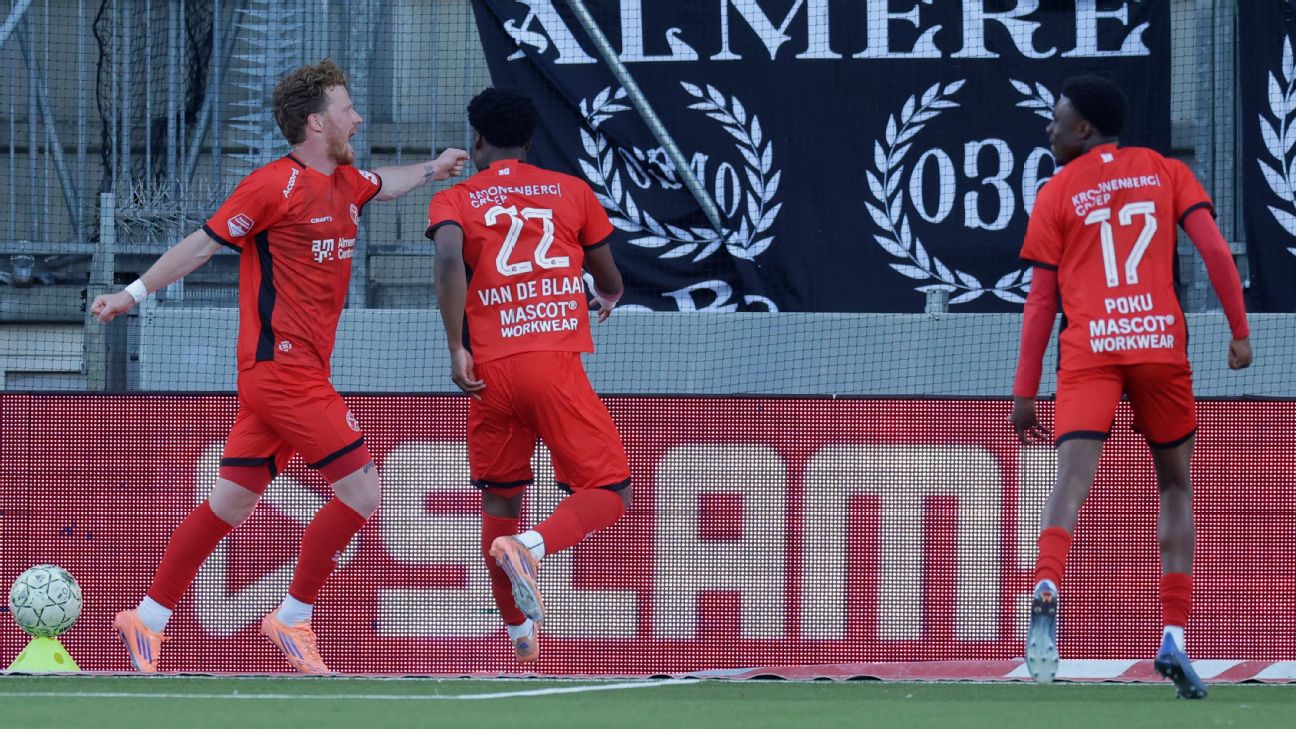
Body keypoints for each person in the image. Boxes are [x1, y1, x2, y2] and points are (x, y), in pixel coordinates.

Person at [93, 58, 468, 674]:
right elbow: (203, 243)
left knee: (229, 503)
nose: (358, 118)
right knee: (364, 490)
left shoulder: (347, 183)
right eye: (348, 109)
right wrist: (130, 294)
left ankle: (147, 619)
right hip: (282, 370)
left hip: (295, 373)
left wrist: (432, 168)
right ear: (318, 122)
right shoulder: (272, 185)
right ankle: (292, 616)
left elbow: (387, 182)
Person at [1011, 75, 1251, 699]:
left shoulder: (1056, 191)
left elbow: (1042, 302)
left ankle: (1046, 583)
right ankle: (1173, 634)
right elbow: (1213, 249)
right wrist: (1238, 329)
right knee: (1175, 485)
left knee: (1070, 481)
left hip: (1090, 349)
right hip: (1157, 345)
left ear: (1084, 128)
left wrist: (1024, 390)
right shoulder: (1167, 171)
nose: (1049, 128)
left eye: (1057, 119)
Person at [426, 87, 631, 663]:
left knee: (500, 499)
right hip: (550, 364)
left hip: (487, 372)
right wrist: (608, 295)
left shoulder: (455, 197)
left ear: (477, 139)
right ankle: (534, 547)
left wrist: (455, 347)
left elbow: (448, 259)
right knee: (611, 490)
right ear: (531, 140)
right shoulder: (571, 191)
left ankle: (518, 632)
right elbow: (607, 275)